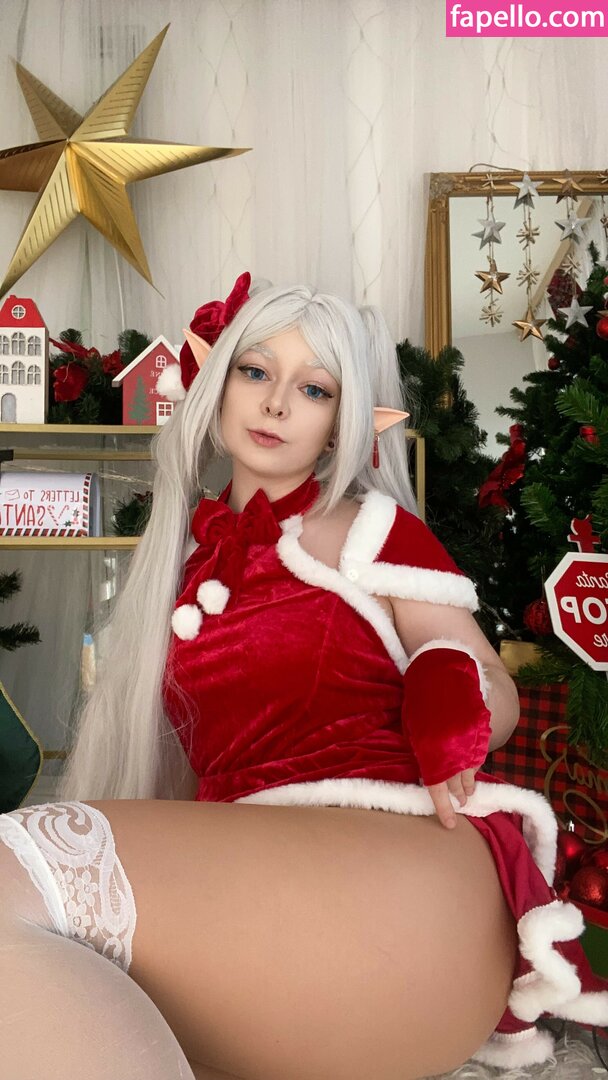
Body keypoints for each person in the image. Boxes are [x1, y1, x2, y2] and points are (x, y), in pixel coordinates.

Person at [0, 274, 607, 1080]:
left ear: (339, 425)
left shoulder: (370, 528)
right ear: (217, 386)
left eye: (313, 388)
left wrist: (447, 693)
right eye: (255, 372)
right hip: (281, 886)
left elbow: (486, 680)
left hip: (403, 861)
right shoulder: (186, 565)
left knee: (19, 861)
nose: (277, 403)